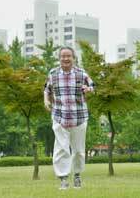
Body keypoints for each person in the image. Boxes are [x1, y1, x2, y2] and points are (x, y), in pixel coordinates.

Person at [44, 46, 94, 190]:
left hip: (79, 117)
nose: (66, 59)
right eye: (63, 56)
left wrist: (88, 89)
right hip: (59, 116)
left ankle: (77, 175)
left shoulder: (81, 73)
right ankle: (63, 179)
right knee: (61, 149)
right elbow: (46, 90)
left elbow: (93, 86)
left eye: (68, 56)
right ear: (59, 58)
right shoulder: (53, 74)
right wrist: (46, 101)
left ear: (73, 58)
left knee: (78, 150)